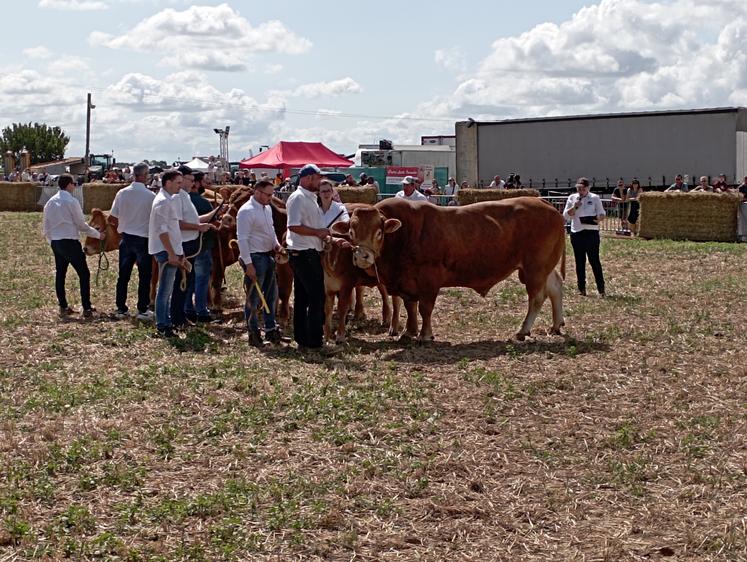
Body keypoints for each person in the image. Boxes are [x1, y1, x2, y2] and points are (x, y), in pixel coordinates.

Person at [42, 173, 106, 318]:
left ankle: (63, 306)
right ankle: (87, 308)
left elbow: (46, 225)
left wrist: (51, 241)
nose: (75, 186)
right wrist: (98, 235)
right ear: (69, 185)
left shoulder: (50, 202)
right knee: (84, 274)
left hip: (56, 242)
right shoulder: (72, 202)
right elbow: (81, 225)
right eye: (73, 183)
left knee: (60, 274)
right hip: (70, 242)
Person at [286, 163, 331, 352]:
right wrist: (318, 233)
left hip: (306, 252)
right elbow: (293, 226)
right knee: (316, 296)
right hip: (304, 252)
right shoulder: (298, 198)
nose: (320, 181)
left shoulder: (309, 198)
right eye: (318, 178)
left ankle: (303, 339)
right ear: (308, 178)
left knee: (304, 297)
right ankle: (314, 341)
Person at [236, 180, 284, 347]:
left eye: (272, 194)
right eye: (268, 194)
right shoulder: (246, 212)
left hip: (267, 256)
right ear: (257, 192)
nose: (271, 198)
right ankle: (253, 331)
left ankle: (270, 328)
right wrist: (248, 264)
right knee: (254, 297)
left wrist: (276, 245)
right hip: (255, 258)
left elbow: (270, 230)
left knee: (271, 296)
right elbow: (242, 239)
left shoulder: (267, 208)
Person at [109, 162, 155, 320]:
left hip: (126, 238)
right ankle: (142, 309)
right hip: (143, 239)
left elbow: (112, 218)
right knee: (144, 276)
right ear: (145, 175)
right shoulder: (151, 196)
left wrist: (123, 227)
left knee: (123, 275)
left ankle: (121, 308)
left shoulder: (122, 193)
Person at [170, 165, 215, 328]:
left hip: (189, 243)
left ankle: (181, 315)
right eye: (189, 180)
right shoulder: (177, 197)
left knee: (186, 282)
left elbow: (193, 220)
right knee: (180, 282)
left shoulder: (185, 196)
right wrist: (198, 227)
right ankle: (177, 317)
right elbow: (178, 223)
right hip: (184, 244)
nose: (192, 183)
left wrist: (211, 215)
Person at [149, 170, 186, 337]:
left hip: (170, 250)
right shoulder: (163, 202)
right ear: (168, 182)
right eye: (178, 182)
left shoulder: (167, 200)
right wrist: (171, 253)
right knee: (165, 289)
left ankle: (165, 321)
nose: (180, 185)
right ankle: (162, 324)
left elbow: (172, 229)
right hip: (165, 251)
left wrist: (179, 251)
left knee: (167, 288)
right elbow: (162, 231)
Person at [563, 177, 606, 297]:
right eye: (578, 188)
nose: (580, 191)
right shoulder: (572, 198)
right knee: (579, 262)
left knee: (594, 261)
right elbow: (566, 215)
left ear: (588, 188)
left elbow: (602, 213)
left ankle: (601, 288)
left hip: (591, 232)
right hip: (577, 233)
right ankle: (581, 288)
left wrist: (598, 218)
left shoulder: (595, 198)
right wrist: (575, 206)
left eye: (583, 188)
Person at [185, 171, 218, 323]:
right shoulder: (204, 203)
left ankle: (187, 308)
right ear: (196, 183)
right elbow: (214, 224)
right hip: (202, 246)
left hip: (186, 246)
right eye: (203, 181)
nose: (205, 184)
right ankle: (201, 310)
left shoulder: (182, 200)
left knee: (189, 278)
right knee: (202, 279)